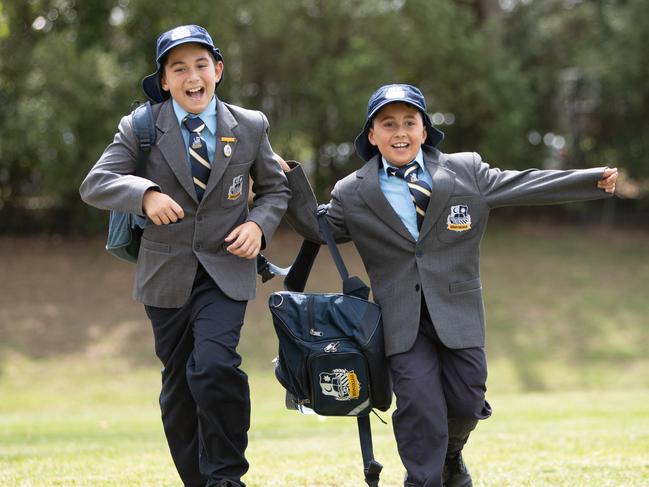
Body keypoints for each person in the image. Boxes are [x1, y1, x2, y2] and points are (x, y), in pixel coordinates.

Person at [277, 83, 617, 487]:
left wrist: (590, 181)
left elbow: (521, 184)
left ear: (424, 130)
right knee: (419, 404)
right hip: (401, 320)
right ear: (372, 135)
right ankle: (423, 478)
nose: (399, 131)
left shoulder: (466, 170)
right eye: (388, 124)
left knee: (468, 400)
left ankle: (450, 456)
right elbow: (317, 229)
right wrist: (291, 178)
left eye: (409, 122)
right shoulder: (354, 191)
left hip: (458, 311)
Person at [79, 24, 290, 487]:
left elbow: (276, 190)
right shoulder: (141, 126)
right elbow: (95, 184)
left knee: (214, 366)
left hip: (226, 271)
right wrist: (145, 193)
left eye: (200, 65)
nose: (192, 76)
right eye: (179, 68)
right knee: (179, 386)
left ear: (217, 70)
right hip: (165, 275)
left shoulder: (251, 125)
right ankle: (198, 480)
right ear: (165, 80)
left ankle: (227, 477)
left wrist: (258, 224)